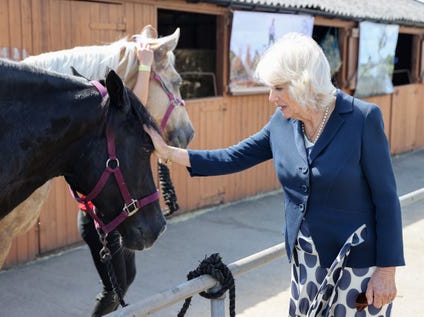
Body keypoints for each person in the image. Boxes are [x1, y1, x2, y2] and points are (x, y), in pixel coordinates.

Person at [144, 32, 404, 316]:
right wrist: (169, 152)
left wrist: (386, 271)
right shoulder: (281, 123)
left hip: (358, 265)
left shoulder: (362, 119)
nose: (271, 97)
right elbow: (233, 156)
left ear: (305, 82)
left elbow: (387, 199)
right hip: (306, 263)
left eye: (279, 87)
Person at [78, 42, 154, 316]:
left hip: (118, 213)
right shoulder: (98, 114)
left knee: (128, 276)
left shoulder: (110, 113)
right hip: (99, 218)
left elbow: (135, 113)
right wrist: (144, 66)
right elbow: (138, 108)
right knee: (114, 289)